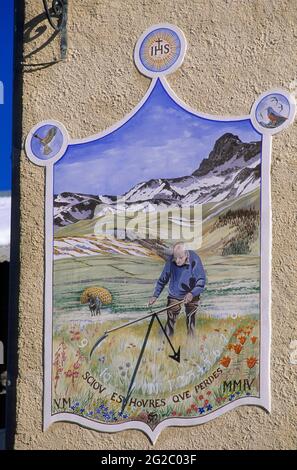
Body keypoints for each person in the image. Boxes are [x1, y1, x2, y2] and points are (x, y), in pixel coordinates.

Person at [149, 242, 206, 337]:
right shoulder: (171, 260)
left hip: (192, 293)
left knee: (191, 319)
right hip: (174, 294)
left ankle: (191, 343)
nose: (177, 261)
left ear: (186, 255)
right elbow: (162, 280)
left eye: (180, 258)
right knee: (171, 319)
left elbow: (201, 280)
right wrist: (155, 295)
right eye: (175, 258)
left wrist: (192, 293)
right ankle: (166, 341)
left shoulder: (194, 259)